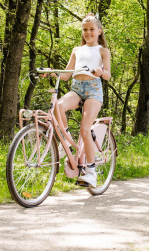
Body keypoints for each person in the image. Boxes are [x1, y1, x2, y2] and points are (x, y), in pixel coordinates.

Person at [47, 13, 111, 188]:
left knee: (84, 129)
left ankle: (91, 173)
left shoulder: (103, 51)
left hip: (93, 91)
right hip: (76, 88)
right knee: (58, 106)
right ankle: (65, 143)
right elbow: (67, 75)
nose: (88, 32)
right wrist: (53, 72)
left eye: (91, 29)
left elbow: (108, 76)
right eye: (85, 29)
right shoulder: (77, 50)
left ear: (99, 31)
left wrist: (100, 71)